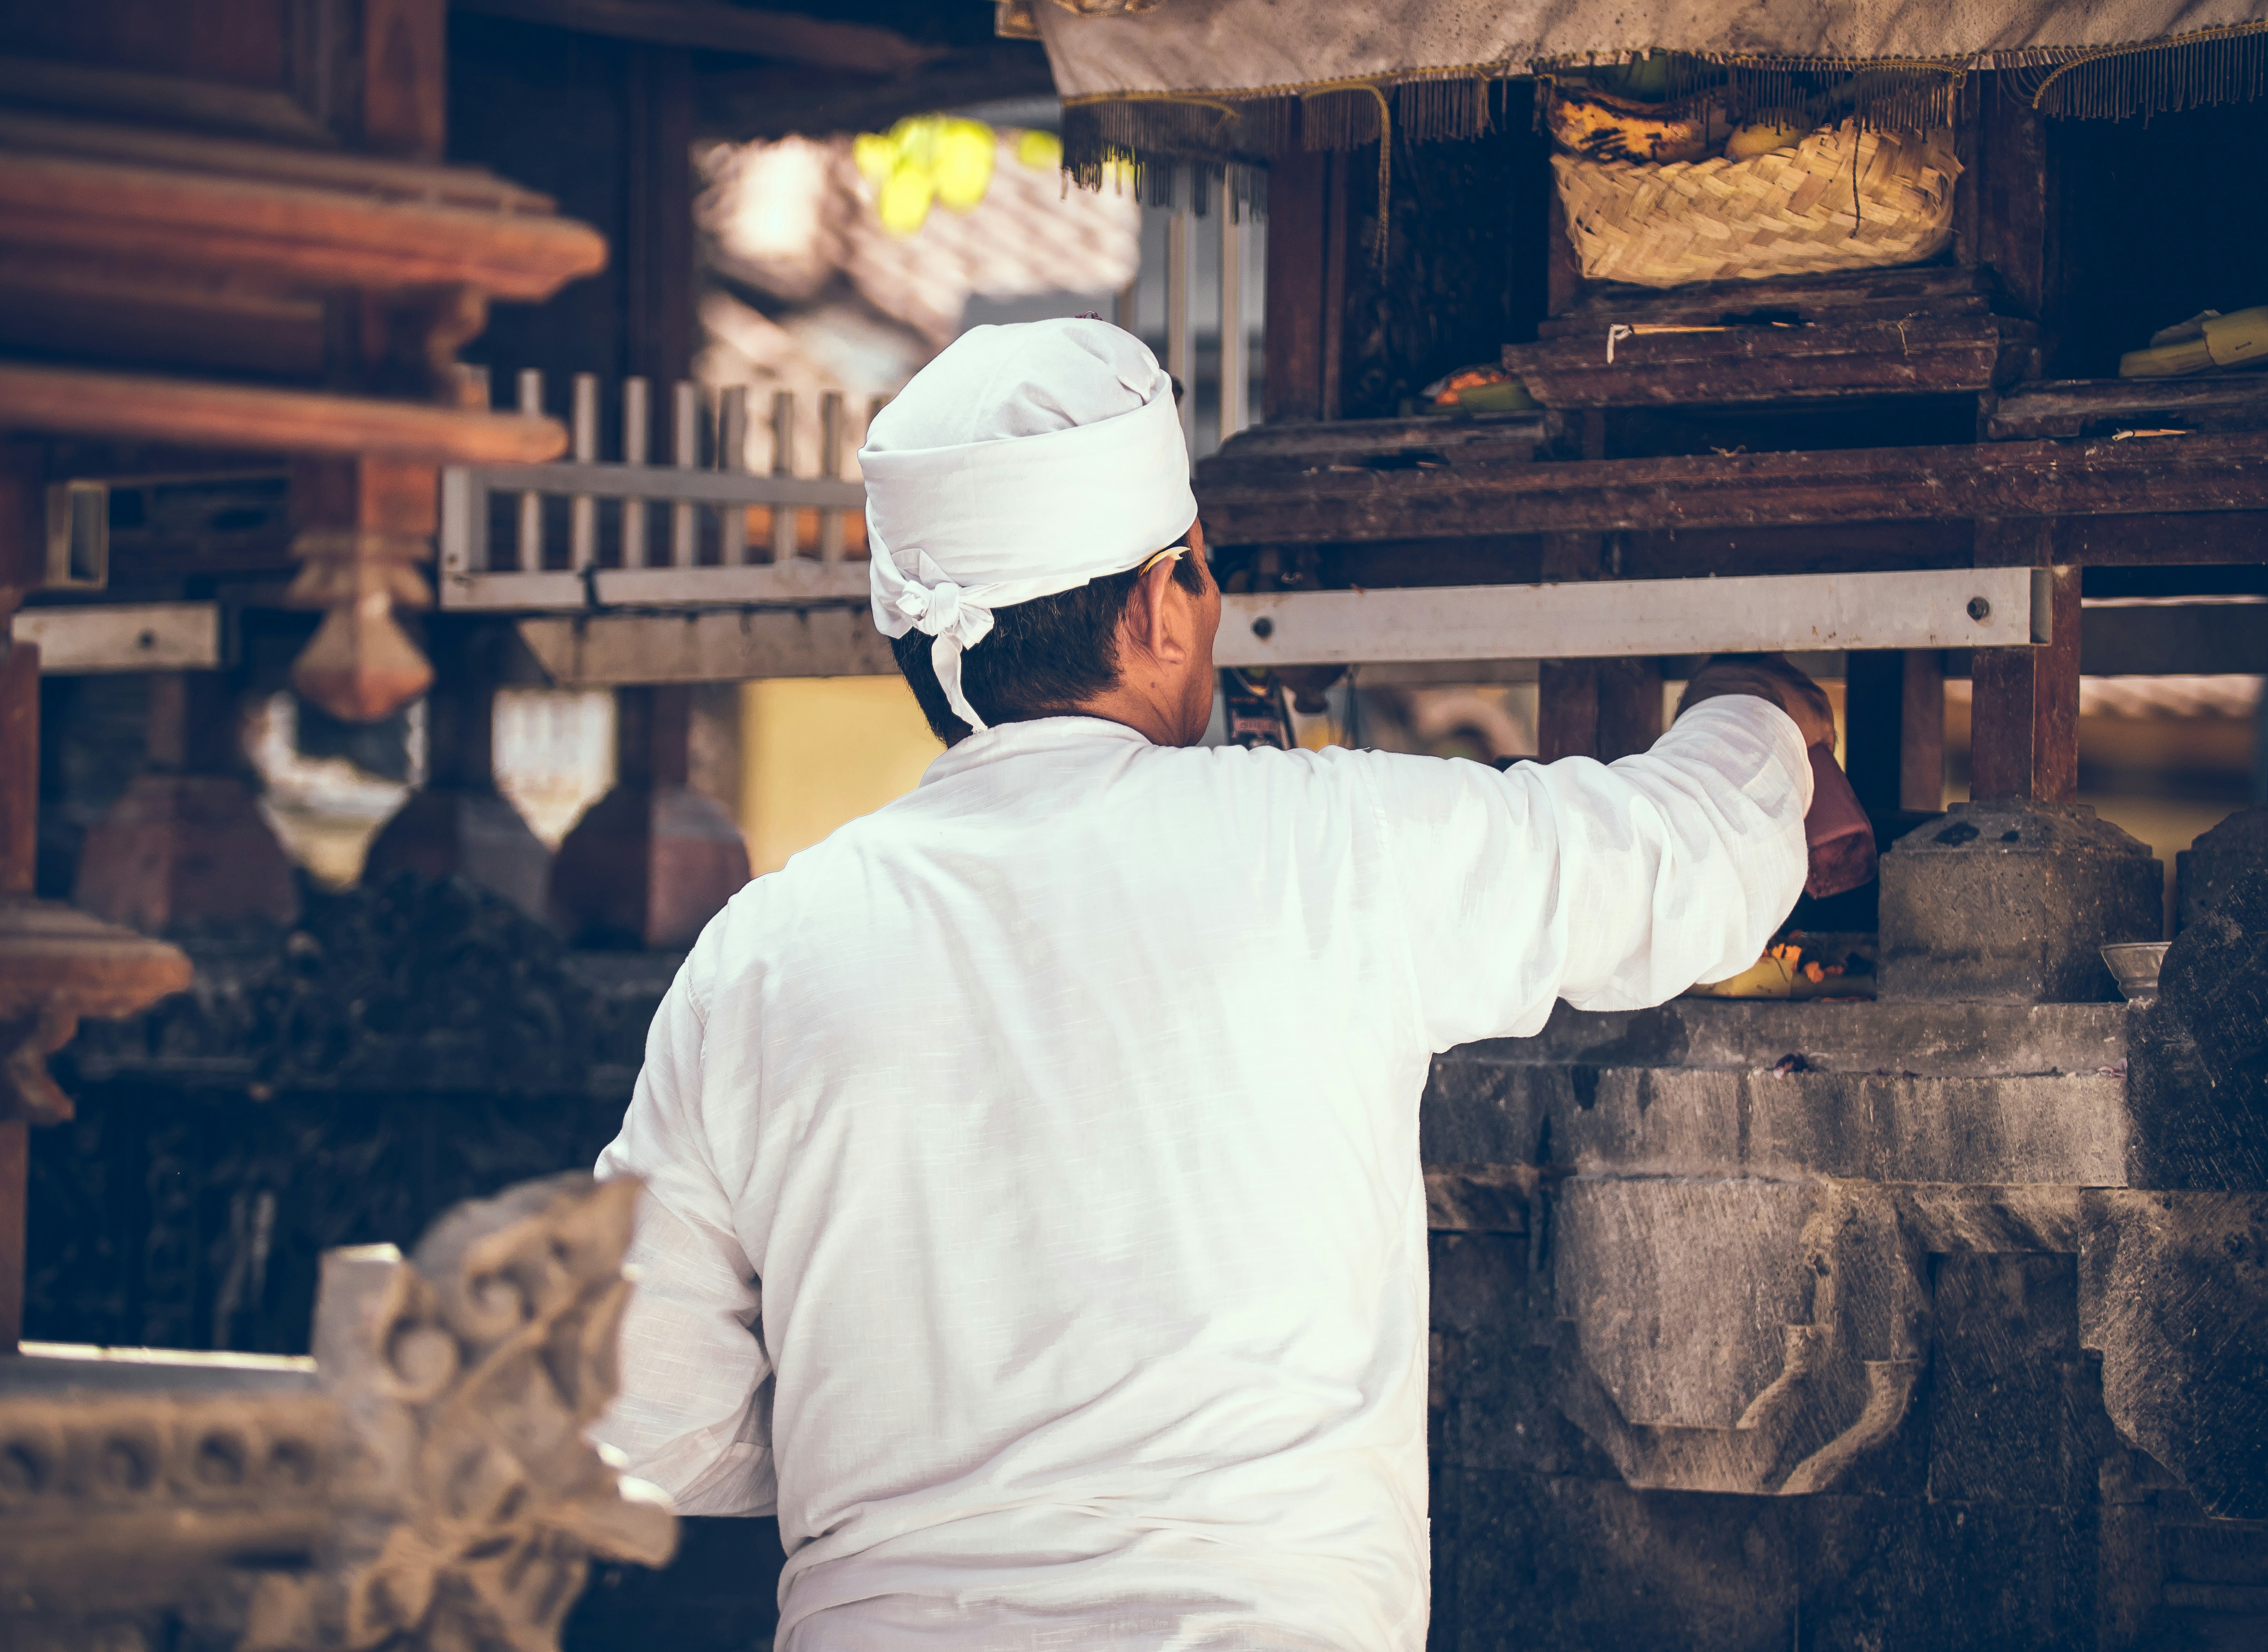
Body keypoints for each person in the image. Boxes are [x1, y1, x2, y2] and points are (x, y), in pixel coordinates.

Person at [592, 318, 1833, 1651]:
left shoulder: (760, 954)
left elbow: (647, 1420)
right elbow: (1683, 863)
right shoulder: (1326, 844)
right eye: (1201, 569)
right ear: (1151, 606)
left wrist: (920, 1444)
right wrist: (1758, 694)